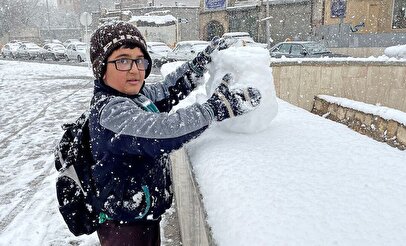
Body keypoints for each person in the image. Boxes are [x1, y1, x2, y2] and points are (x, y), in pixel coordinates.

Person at [88, 21, 262, 245]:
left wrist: (197, 67)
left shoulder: (134, 97)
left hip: (141, 214)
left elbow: (167, 90)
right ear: (101, 67)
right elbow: (163, 131)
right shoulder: (111, 111)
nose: (134, 69)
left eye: (140, 60)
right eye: (122, 61)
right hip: (124, 225)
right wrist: (214, 109)